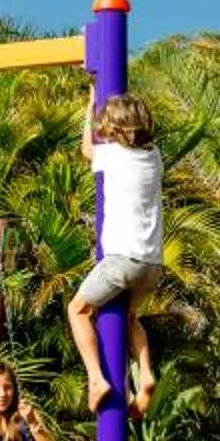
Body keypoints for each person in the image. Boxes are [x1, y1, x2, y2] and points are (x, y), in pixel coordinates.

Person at [66, 93, 163, 413]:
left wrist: (90, 104)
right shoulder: (155, 156)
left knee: (78, 310)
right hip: (152, 264)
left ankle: (96, 378)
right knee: (130, 317)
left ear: (114, 129)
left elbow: (85, 149)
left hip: (122, 260)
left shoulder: (113, 156)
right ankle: (146, 373)